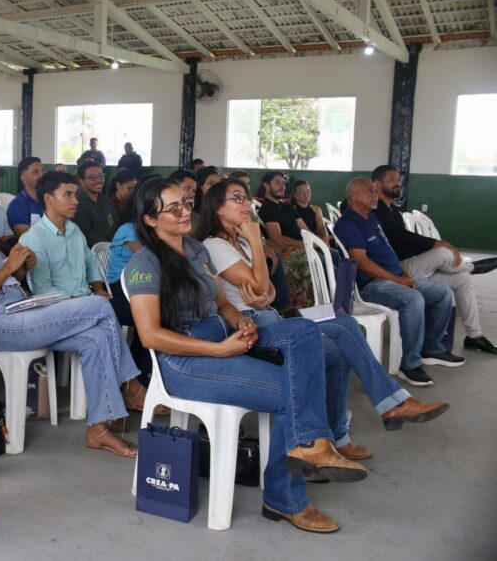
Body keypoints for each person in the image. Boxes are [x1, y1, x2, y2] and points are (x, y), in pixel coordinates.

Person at [125, 178, 366, 534]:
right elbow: (150, 336)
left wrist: (241, 321)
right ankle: (287, 494)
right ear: (149, 219)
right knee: (292, 392)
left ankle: (314, 444)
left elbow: (222, 302)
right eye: (172, 208)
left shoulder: (195, 249)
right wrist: (219, 349)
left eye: (185, 203)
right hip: (185, 361)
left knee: (303, 331)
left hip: (222, 335)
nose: (184, 212)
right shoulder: (144, 264)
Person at [198, 179, 449, 460]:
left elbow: (268, 291)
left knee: (345, 328)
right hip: (252, 327)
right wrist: (257, 242)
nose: (246, 203)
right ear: (218, 209)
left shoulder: (242, 241)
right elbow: (258, 288)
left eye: (246, 197)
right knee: (336, 346)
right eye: (237, 198)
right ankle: (361, 422)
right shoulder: (216, 245)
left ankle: (374, 415)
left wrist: (262, 288)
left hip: (270, 315)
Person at [0, 174, 143, 458]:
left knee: (95, 336)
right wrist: (7, 269)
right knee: (100, 306)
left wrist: (22, 267)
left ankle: (99, 428)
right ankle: (130, 386)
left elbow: (11, 279)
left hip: (18, 307)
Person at [20, 171, 153, 388]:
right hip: (57, 310)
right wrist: (83, 300)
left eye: (75, 195)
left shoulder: (74, 230)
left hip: (88, 302)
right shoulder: (34, 238)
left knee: (145, 313)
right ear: (48, 199)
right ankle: (132, 385)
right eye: (68, 195)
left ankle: (137, 380)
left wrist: (98, 288)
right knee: (123, 315)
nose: (75, 201)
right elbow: (43, 290)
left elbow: (91, 263)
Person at [335, 177, 463, 387]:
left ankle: (432, 349)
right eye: (369, 191)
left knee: (442, 291)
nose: (375, 194)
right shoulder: (349, 224)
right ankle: (409, 364)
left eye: (375, 190)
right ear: (353, 196)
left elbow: (388, 254)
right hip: (371, 285)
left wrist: (403, 274)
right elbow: (362, 264)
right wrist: (398, 280)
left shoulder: (371, 218)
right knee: (413, 299)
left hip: (394, 277)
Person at [372, 165, 497, 355]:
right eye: (391, 179)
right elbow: (400, 236)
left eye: (398, 179)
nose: (398, 183)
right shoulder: (376, 209)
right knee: (443, 253)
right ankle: (471, 266)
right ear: (377, 184)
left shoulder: (394, 212)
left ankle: (474, 335)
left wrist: (430, 253)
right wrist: (437, 244)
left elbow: (407, 243)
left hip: (412, 265)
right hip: (396, 270)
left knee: (462, 279)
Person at [257, 171, 314, 307]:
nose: (282, 186)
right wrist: (305, 244)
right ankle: (305, 306)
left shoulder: (287, 206)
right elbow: (277, 239)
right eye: (277, 183)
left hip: (305, 246)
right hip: (292, 249)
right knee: (319, 263)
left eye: (283, 183)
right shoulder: (268, 209)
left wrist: (317, 240)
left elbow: (305, 229)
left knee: (335, 256)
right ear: (266, 185)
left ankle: (333, 303)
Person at [71, 160, 118, 247]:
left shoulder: (107, 202)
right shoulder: (76, 204)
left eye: (101, 176)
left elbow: (116, 226)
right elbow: (87, 236)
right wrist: (112, 246)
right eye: (92, 177)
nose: (99, 180)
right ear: (81, 181)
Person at [7, 156, 45, 238]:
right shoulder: (17, 205)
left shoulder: (49, 200)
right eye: (36, 172)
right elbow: (26, 240)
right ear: (23, 178)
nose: (42, 175)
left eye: (43, 171)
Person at [291, 180, 332, 245]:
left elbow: (321, 227)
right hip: (304, 244)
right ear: (295, 196)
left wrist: (325, 237)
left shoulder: (316, 209)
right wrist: (319, 241)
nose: (306, 194)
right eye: (302, 192)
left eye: (308, 191)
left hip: (319, 241)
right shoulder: (292, 211)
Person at [168, 169, 200, 235]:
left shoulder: (197, 218)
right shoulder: (164, 216)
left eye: (194, 191)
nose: (193, 194)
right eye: (187, 188)